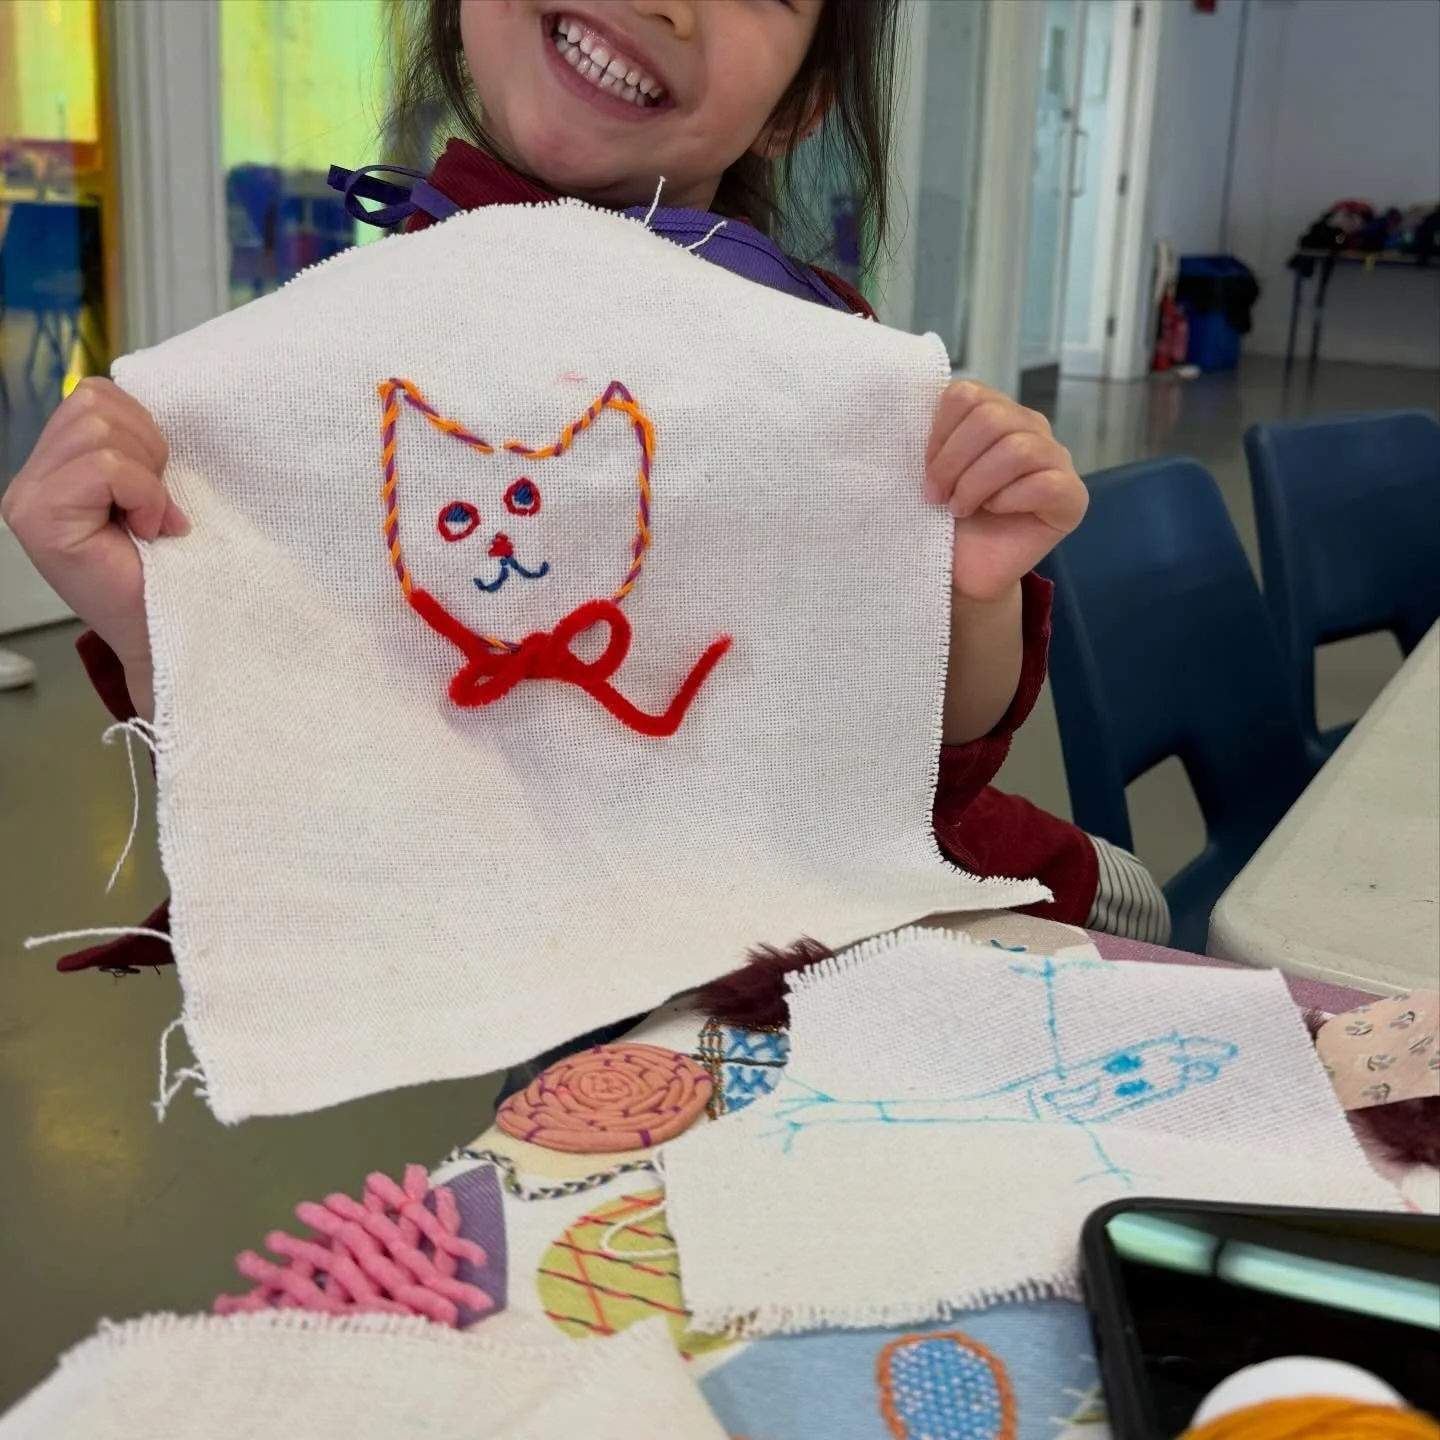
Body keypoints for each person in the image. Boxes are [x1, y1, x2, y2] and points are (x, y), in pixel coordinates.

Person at [0, 0, 1169, 1001]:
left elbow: (926, 761)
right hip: (613, 988)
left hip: (933, 901)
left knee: (1143, 912)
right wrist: (140, 603)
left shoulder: (814, 354)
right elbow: (307, 794)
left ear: (797, 108)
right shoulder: (327, 385)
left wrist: (968, 584)